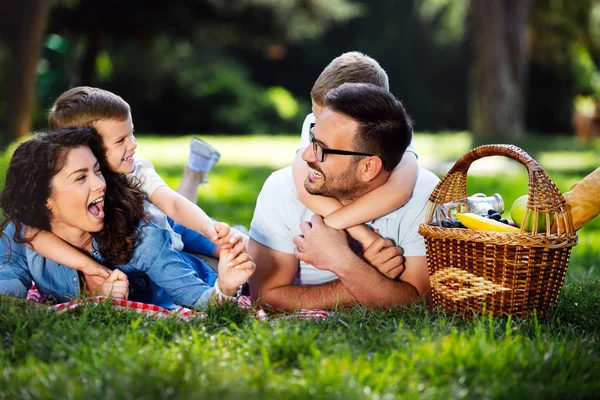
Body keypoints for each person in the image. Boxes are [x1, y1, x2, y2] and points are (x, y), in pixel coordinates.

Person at [0, 128, 254, 308]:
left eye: (97, 171)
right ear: (44, 199)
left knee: (246, 246)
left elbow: (204, 301)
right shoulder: (23, 235)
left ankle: (196, 178)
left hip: (202, 268)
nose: (100, 185)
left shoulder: (140, 239)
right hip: (173, 236)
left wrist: (227, 287)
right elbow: (6, 294)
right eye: (80, 177)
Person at [249, 83, 439, 311]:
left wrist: (344, 264)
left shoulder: (425, 196)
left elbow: (421, 302)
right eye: (311, 139)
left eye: (321, 149)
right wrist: (366, 276)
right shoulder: (281, 189)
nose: (307, 155)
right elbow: (264, 298)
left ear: (369, 167)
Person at [25, 86, 244, 281]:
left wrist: (208, 227)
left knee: (239, 248)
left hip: (171, 231)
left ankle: (194, 174)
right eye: (120, 140)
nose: (133, 144)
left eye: (132, 133)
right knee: (214, 267)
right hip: (162, 254)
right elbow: (30, 232)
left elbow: (173, 204)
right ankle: (195, 173)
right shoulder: (62, 187)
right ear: (87, 147)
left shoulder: (137, 170)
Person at [292, 52, 420, 247]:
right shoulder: (314, 121)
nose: (319, 123)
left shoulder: (386, 133)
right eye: (316, 115)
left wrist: (328, 225)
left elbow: (399, 190)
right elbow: (303, 188)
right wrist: (364, 235)